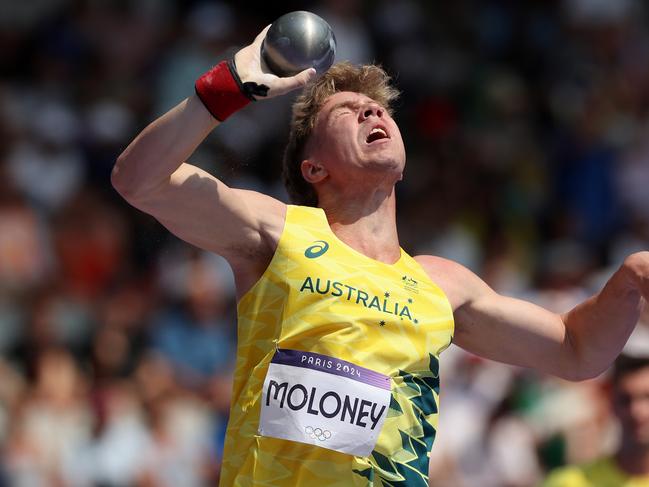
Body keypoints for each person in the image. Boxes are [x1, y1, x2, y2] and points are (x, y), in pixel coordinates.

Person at [111, 25, 649, 487]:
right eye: (346, 111)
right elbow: (140, 181)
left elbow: (579, 350)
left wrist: (628, 278)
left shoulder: (444, 284)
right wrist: (231, 84)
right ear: (313, 168)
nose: (372, 109)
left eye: (378, 108)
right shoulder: (278, 231)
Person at [541, 354, 649, 487]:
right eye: (625, 400)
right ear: (610, 403)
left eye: (647, 397)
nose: (638, 411)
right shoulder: (567, 482)